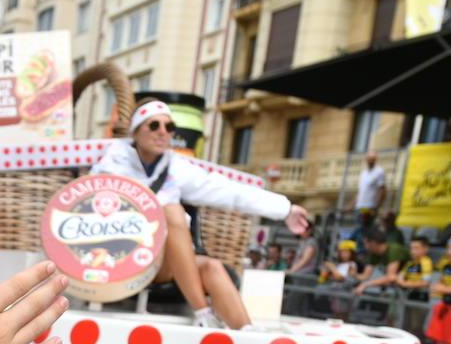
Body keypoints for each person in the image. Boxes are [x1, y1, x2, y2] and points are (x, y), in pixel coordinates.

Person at [91, 99, 311, 328]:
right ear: (135, 132)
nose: (162, 132)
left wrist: (285, 209)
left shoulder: (175, 168)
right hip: (120, 255)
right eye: (154, 125)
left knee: (212, 267)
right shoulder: (111, 165)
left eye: (169, 127)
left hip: (162, 260)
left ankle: (248, 338)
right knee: (172, 211)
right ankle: (203, 313)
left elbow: (228, 191)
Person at [352, 229, 410, 295]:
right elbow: (365, 276)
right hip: (399, 285)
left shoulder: (394, 250)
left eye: (366, 243)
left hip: (413, 280)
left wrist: (365, 285)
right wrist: (354, 274)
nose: (365, 247)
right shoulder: (373, 253)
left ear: (373, 243)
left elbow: (391, 277)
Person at [353, 150, 387, 227]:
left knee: (366, 229)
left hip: (369, 207)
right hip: (360, 207)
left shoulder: (379, 171)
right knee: (359, 228)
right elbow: (360, 192)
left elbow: (382, 190)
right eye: (369, 158)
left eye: (372, 159)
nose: (370, 161)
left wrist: (376, 207)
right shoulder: (364, 173)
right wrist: (351, 205)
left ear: (375, 160)